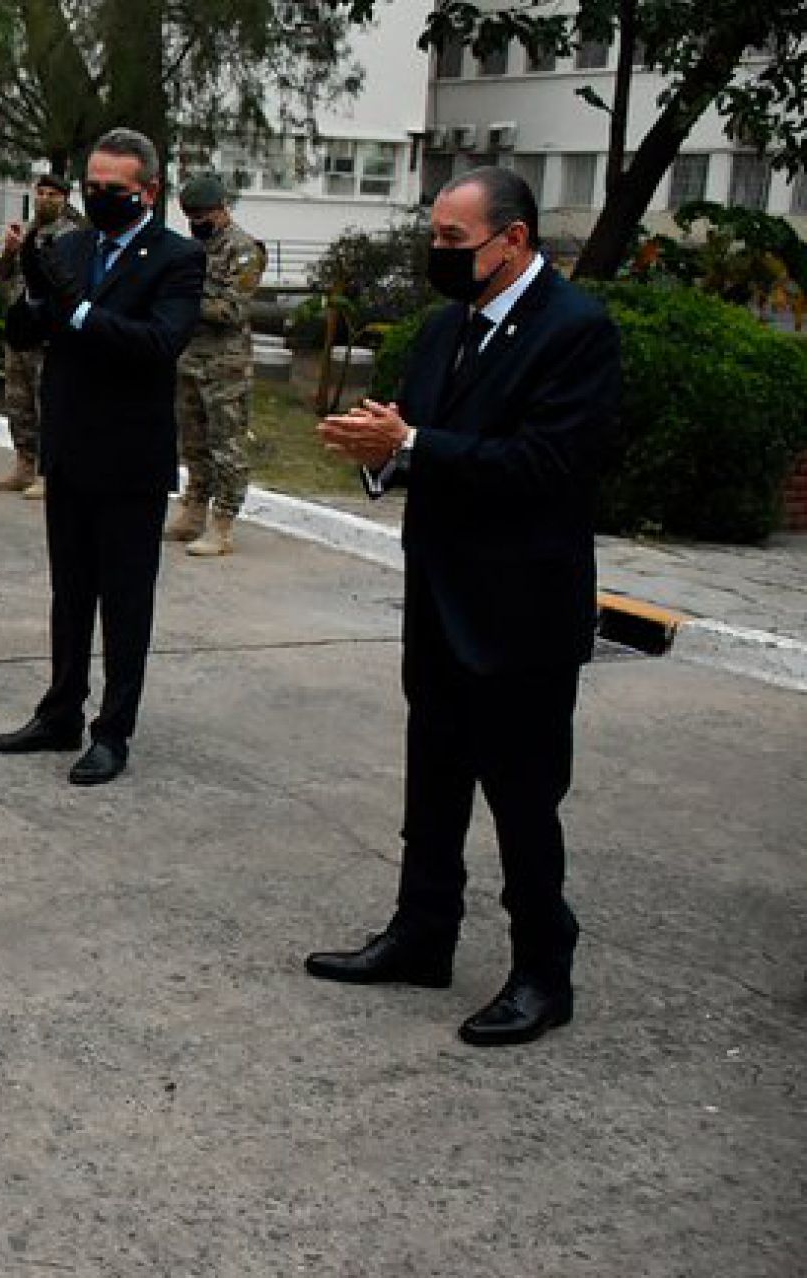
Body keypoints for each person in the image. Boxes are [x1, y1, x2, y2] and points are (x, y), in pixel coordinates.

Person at [308, 167, 621, 1048]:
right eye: (435, 236)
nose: (438, 254)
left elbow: (547, 465)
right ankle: (423, 933)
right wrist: (380, 453)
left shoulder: (575, 330)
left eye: (454, 240)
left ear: (512, 240)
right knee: (434, 783)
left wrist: (413, 442)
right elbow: (419, 439)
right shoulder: (447, 326)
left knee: (523, 801)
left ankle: (543, 972)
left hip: (521, 612)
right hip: (439, 597)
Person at [0, 128, 205, 786]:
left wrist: (76, 310)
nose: (100, 195)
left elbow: (158, 343)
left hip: (130, 459)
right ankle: (60, 712)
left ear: (149, 191)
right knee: (71, 593)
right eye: (93, 185)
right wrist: (31, 293)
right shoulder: (72, 247)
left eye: (115, 188)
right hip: (70, 448)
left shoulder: (177, 258)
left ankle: (113, 731)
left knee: (126, 603)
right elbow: (25, 335)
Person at [166, 175, 264, 557]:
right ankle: (193, 510)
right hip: (190, 359)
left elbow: (233, 310)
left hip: (226, 366)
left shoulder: (244, 250)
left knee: (227, 444)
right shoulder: (193, 249)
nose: (196, 222)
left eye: (202, 215)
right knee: (193, 442)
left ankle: (222, 522)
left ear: (221, 210)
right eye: (190, 216)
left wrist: (186, 300)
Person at [0, 173, 84, 498]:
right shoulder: (27, 230)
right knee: (19, 402)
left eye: (52, 194)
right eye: (40, 192)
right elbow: (2, 277)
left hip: (49, 332)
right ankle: (23, 464)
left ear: (65, 199)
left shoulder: (73, 235)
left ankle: (48, 471)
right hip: (21, 328)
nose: (44, 199)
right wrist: (9, 252)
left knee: (48, 404)